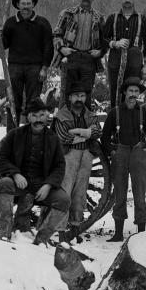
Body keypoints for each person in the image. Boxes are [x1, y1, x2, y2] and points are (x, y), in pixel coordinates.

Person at [0, 98, 69, 244]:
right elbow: (2, 158)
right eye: (34, 116)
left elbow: (60, 166)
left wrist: (48, 185)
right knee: (3, 183)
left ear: (47, 116)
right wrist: (15, 174)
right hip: (20, 183)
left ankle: (41, 239)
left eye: (41, 115)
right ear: (28, 117)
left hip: (42, 185)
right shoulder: (15, 135)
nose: (38, 120)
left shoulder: (53, 139)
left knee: (63, 200)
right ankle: (5, 231)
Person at [100, 77, 146, 241]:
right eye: (131, 91)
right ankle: (118, 233)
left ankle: (141, 234)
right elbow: (104, 138)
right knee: (120, 194)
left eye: (136, 91)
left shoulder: (144, 112)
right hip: (120, 153)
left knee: (139, 194)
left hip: (139, 154)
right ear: (125, 92)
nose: (133, 94)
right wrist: (112, 150)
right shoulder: (114, 113)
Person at [52, 83, 100, 240]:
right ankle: (60, 230)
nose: (79, 99)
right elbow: (63, 137)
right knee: (65, 191)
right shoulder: (61, 115)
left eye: (82, 96)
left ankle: (75, 227)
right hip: (68, 156)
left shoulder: (90, 115)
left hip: (86, 156)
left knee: (80, 192)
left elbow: (98, 131)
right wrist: (87, 133)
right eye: (76, 96)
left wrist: (79, 132)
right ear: (70, 98)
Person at [1, 0, 53, 127]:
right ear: (18, 5)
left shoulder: (43, 23)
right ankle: (12, 133)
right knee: (12, 101)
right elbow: (3, 45)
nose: (25, 7)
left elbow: (49, 47)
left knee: (34, 103)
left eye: (28, 3)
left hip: (35, 68)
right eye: (23, 4)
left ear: (33, 4)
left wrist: (45, 68)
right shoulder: (11, 22)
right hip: (14, 67)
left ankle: (33, 132)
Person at [101, 0, 146, 107]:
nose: (127, 0)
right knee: (115, 95)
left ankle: (132, 124)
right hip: (115, 64)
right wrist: (115, 43)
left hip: (135, 64)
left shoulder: (142, 19)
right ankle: (115, 123)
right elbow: (102, 39)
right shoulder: (112, 18)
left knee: (132, 95)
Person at [53, 0, 105, 101]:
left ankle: (85, 118)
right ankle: (66, 119)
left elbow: (106, 39)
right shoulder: (68, 14)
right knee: (67, 91)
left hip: (89, 58)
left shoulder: (99, 17)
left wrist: (100, 52)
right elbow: (56, 34)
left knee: (86, 93)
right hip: (70, 56)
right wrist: (62, 48)